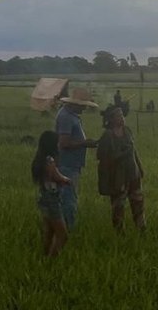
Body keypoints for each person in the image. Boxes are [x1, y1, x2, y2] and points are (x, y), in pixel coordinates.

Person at [55, 87, 99, 230]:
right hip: (66, 165)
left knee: (67, 197)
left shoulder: (71, 115)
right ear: (76, 104)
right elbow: (64, 143)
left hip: (71, 165)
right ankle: (67, 231)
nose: (85, 108)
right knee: (68, 200)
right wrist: (85, 143)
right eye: (84, 105)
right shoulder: (66, 117)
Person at [97, 106, 145, 232]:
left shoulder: (127, 131)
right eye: (118, 115)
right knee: (118, 206)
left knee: (138, 202)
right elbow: (101, 157)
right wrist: (120, 156)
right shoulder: (108, 135)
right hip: (117, 177)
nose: (122, 118)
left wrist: (140, 167)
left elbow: (133, 151)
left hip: (133, 174)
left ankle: (141, 228)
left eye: (122, 115)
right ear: (111, 119)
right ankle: (119, 233)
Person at [31, 130, 71, 257]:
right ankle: (51, 260)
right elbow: (55, 176)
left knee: (49, 232)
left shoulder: (40, 159)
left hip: (44, 197)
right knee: (62, 235)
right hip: (52, 199)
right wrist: (66, 180)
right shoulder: (49, 160)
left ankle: (44, 257)